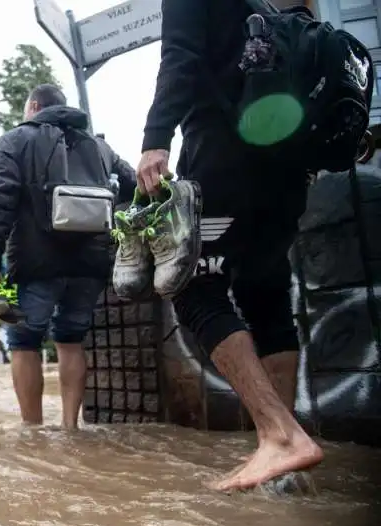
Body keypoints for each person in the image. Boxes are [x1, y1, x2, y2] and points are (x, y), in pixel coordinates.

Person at [133, 0, 323, 491]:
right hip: (286, 168)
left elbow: (180, 55)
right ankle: (285, 472)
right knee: (266, 295)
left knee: (191, 285)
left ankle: (279, 436)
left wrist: (155, 138)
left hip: (224, 153)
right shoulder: (257, 6)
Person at [0, 84, 128, 429]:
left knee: (24, 341)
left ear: (32, 107)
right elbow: (132, 184)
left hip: (34, 263)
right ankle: (71, 427)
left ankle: (33, 430)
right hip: (90, 265)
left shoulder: (14, 140)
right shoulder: (100, 147)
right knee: (71, 339)